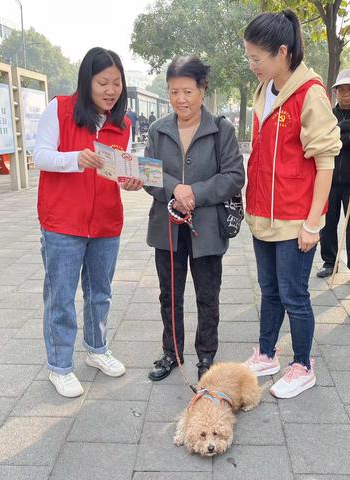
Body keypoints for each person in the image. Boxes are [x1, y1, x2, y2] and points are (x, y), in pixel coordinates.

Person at [242, 10, 341, 399]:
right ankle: (267, 353)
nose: (251, 65)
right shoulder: (266, 88)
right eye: (248, 57)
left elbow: (326, 162)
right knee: (269, 291)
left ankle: (302, 364)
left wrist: (313, 223)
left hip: (295, 217)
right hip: (263, 214)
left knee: (294, 295)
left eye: (256, 58)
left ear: (282, 52)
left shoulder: (310, 93)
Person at [33, 47, 143, 398]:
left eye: (116, 83)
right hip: (63, 222)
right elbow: (40, 156)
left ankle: (97, 349)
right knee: (61, 296)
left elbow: (115, 169)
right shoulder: (60, 109)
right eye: (102, 82)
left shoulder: (122, 124)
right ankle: (60, 366)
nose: (111, 90)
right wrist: (74, 159)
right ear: (87, 81)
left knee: (101, 294)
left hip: (106, 223)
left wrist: (129, 179)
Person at [144, 55, 245, 381]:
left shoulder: (221, 130)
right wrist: (176, 189)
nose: (180, 99)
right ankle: (171, 353)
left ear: (202, 89)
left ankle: (206, 356)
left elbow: (233, 176)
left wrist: (195, 193)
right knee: (168, 295)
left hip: (207, 229)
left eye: (187, 91)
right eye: (174, 92)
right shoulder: (159, 131)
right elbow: (148, 174)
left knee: (207, 295)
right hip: (167, 229)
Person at [317, 69, 350, 288]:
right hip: (328, 179)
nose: (345, 94)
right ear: (335, 92)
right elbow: (325, 137)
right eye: (341, 90)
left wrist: (342, 132)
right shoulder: (327, 114)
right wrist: (346, 131)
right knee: (327, 223)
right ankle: (329, 261)